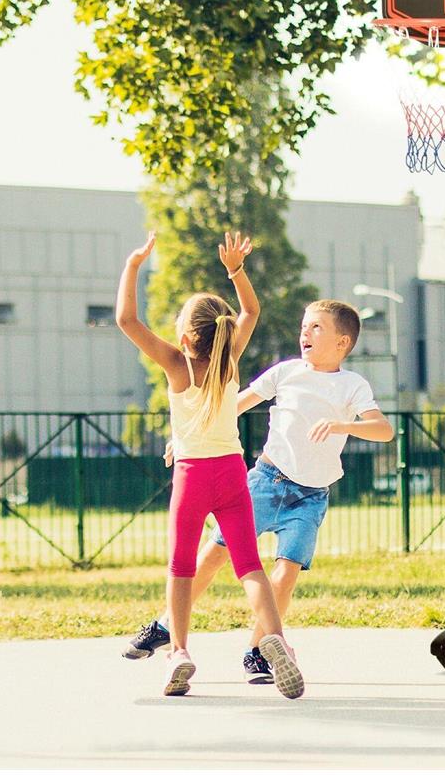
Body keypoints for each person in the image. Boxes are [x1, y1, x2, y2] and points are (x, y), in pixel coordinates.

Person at [123, 299, 394, 682]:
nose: (305, 333)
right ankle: (166, 624)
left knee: (285, 573)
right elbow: (230, 404)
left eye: (316, 327)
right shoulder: (286, 372)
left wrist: (342, 425)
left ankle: (258, 650)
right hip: (267, 481)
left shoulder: (352, 386)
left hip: (311, 496)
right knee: (215, 556)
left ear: (342, 343)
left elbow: (384, 430)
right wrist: (185, 434)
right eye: (304, 326)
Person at [116, 231, 303, 699]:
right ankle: (275, 640)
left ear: (184, 336)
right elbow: (252, 312)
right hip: (232, 474)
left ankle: (178, 651)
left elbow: (125, 319)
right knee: (250, 567)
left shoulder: (177, 364)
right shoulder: (229, 361)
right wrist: (236, 270)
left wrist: (134, 265)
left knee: (181, 568)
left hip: (193, 477)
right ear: (220, 332)